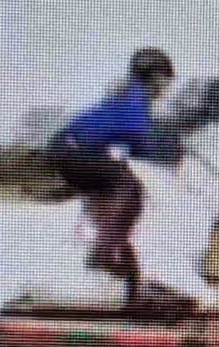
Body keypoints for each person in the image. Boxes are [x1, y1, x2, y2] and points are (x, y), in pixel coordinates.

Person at [47, 47, 182, 277]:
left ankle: (112, 250)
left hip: (69, 149)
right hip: (72, 152)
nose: (165, 88)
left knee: (122, 182)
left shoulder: (130, 97)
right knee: (130, 189)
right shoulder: (135, 101)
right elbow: (141, 145)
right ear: (151, 78)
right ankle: (104, 252)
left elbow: (133, 140)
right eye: (163, 80)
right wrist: (171, 153)